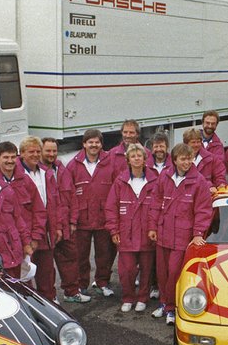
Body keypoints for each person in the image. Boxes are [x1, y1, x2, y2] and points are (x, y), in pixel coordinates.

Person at [148, 143, 213, 324]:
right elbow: (155, 202)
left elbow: (203, 210)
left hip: (182, 236)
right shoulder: (165, 176)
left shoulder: (199, 181)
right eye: (183, 159)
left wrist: (198, 233)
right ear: (174, 160)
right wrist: (152, 227)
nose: (187, 162)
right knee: (161, 272)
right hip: (163, 232)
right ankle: (163, 303)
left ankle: (172, 307)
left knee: (175, 272)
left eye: (189, 158)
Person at [106, 143, 157, 312]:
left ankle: (143, 297)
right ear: (127, 159)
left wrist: (154, 228)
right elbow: (111, 208)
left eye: (139, 156)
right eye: (133, 156)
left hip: (146, 233)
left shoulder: (154, 180)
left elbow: (157, 207)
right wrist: (114, 230)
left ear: (145, 159)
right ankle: (128, 297)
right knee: (126, 270)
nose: (136, 158)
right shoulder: (120, 181)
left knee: (147, 269)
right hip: (126, 234)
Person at [68, 128, 118, 297]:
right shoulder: (73, 164)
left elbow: (117, 190)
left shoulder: (110, 162)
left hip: (103, 218)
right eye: (90, 142)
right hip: (82, 219)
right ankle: (82, 285)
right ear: (84, 144)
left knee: (104, 254)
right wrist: (72, 219)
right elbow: (69, 194)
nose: (94, 145)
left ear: (101, 144)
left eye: (97, 142)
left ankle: (103, 282)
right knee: (81, 256)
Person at [42, 137, 91, 303]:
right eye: (47, 150)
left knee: (70, 260)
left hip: (65, 224)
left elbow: (72, 196)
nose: (51, 154)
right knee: (47, 266)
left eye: (54, 151)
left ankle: (71, 292)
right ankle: (50, 297)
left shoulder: (62, 170)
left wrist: (72, 221)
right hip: (48, 227)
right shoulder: (37, 172)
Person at [19, 136, 62, 301]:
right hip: (26, 230)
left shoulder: (46, 172)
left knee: (46, 269)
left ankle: (49, 298)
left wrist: (57, 226)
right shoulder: (16, 174)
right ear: (22, 153)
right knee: (26, 269)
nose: (35, 155)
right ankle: (28, 301)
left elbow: (55, 201)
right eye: (31, 152)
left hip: (46, 228)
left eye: (38, 151)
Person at [0, 141, 40, 261]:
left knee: (27, 276)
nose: (10, 161)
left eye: (13, 157)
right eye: (5, 157)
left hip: (26, 239)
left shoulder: (25, 180)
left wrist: (35, 237)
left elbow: (38, 209)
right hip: (3, 242)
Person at [185, 127, 226, 192]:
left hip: (206, 195)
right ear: (186, 143)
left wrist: (221, 184)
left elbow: (219, 174)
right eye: (193, 142)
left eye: (198, 142)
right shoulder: (179, 159)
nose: (196, 145)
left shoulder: (212, 158)